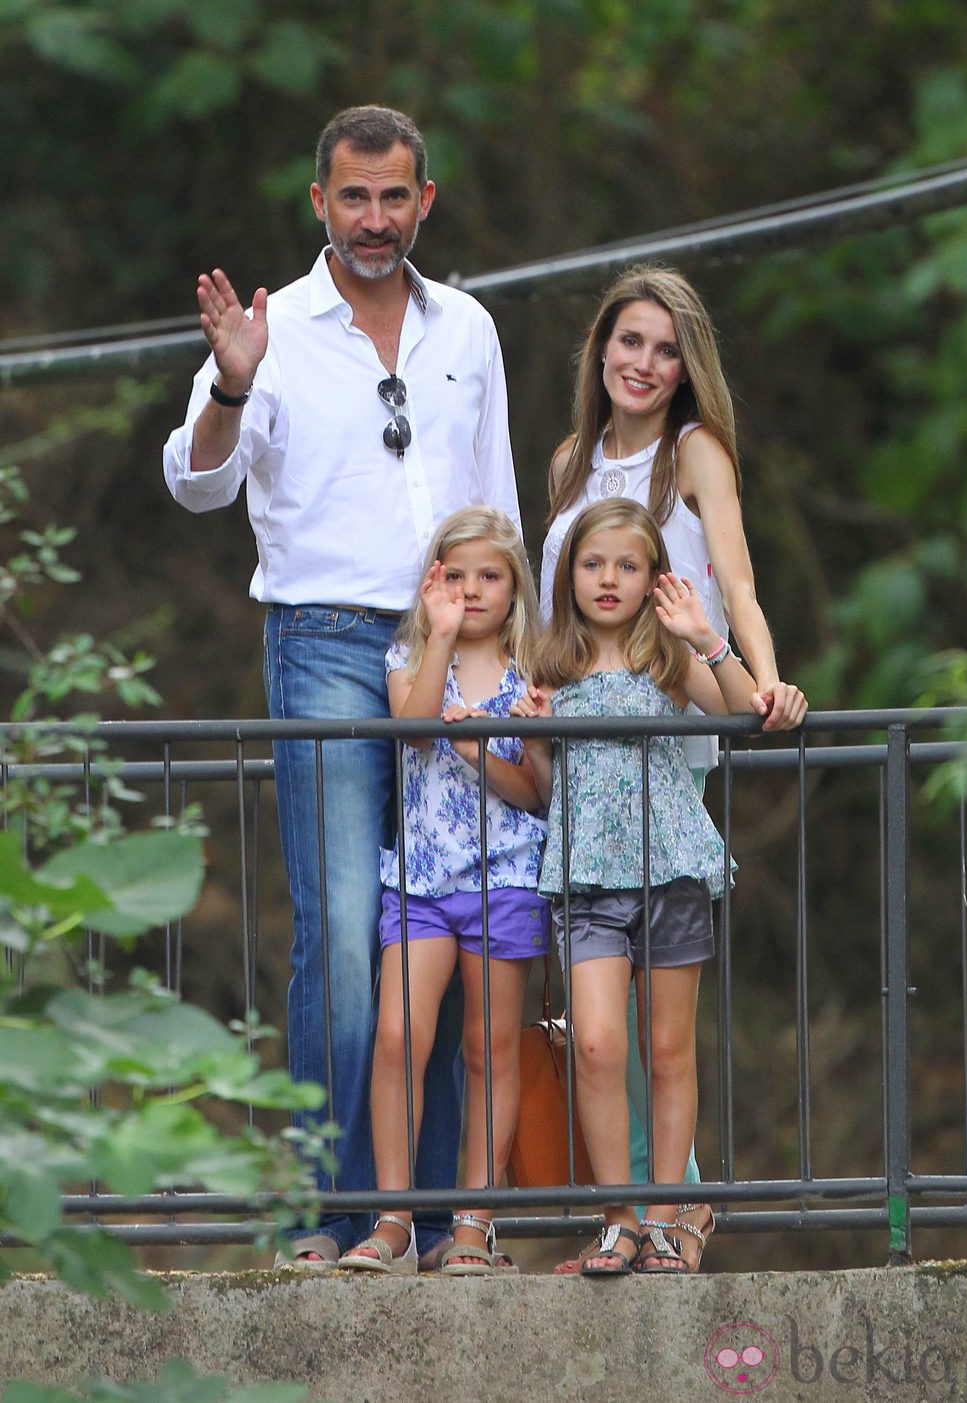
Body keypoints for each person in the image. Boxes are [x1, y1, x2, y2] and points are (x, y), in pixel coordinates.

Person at [162, 106, 522, 1269]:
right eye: (352, 197)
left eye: (394, 197)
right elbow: (195, 484)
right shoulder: (273, 329)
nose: (374, 219)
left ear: (428, 201)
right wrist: (228, 384)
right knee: (344, 930)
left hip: (455, 638)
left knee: (451, 920)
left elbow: (501, 503)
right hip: (319, 638)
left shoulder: (465, 324)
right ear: (319, 201)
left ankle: (430, 1219)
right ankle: (333, 1212)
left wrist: (519, 657)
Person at [540, 264, 807, 1270]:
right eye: (627, 342)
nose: (642, 363)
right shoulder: (569, 458)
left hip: (669, 711)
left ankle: (675, 1207)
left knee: (657, 1008)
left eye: (663, 348)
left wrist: (765, 683)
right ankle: (648, 1208)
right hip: (577, 722)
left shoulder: (692, 449)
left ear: (684, 365)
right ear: (599, 349)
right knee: (597, 1023)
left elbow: (731, 573)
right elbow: (551, 596)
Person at [516, 498, 765, 1273]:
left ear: (653, 577)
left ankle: (662, 1218)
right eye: (594, 564)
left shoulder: (665, 654)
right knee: (595, 1042)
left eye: (627, 565)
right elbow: (549, 785)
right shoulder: (552, 663)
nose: (609, 579)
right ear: (570, 577)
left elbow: (737, 712)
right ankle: (616, 1215)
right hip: (588, 875)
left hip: (668, 868)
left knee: (667, 1050)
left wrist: (709, 638)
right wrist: (531, 733)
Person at [336, 507, 547, 1276]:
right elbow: (414, 731)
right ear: (433, 583)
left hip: (506, 876)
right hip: (420, 878)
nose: (472, 590)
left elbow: (537, 790)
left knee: (488, 1048)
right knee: (397, 1038)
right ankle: (394, 1218)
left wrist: (481, 746)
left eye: (488, 576)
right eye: (455, 576)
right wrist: (441, 637)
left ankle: (472, 1222)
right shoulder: (410, 652)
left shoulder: (536, 665)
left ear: (514, 583)